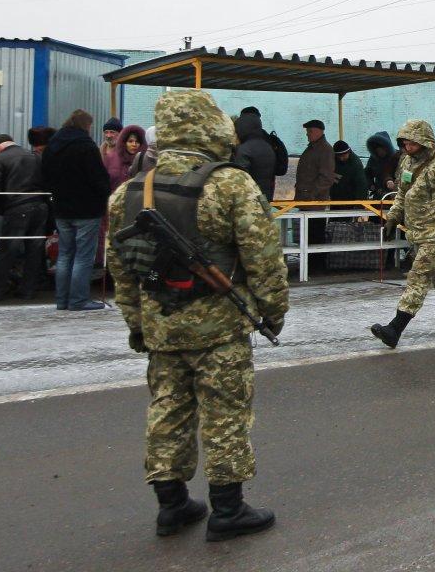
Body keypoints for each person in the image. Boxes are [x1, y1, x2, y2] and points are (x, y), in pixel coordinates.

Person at [106, 89, 289, 541]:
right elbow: (264, 259)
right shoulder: (230, 184)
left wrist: (138, 324)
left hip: (160, 326)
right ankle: (227, 510)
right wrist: (272, 314)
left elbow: (122, 272)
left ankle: (171, 506)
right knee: (225, 413)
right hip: (220, 327)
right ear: (212, 127)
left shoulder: (129, 192)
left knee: (168, 410)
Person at [370, 120, 435, 348]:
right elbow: (403, 193)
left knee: (417, 277)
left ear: (424, 142)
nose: (407, 148)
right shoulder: (408, 161)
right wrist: (393, 218)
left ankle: (395, 328)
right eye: (404, 143)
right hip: (418, 231)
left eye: (412, 143)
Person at [42, 110, 112, 311]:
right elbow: (98, 179)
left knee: (64, 255)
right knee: (83, 256)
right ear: (85, 125)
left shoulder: (53, 145)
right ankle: (78, 300)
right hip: (87, 209)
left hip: (62, 209)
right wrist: (104, 194)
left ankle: (62, 300)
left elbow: (44, 175)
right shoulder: (86, 146)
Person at [0, 134, 48, 300]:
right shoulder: (35, 156)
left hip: (17, 208)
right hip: (40, 207)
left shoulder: (0, 158)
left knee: (8, 250)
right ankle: (28, 290)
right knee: (34, 250)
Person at [294, 119, 335, 270]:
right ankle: (310, 264)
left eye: (310, 131)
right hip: (306, 200)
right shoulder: (313, 148)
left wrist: (312, 194)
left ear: (319, 131)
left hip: (315, 201)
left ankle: (317, 266)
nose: (307, 134)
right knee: (308, 235)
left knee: (315, 234)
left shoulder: (324, 149)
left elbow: (327, 177)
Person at [233, 112, 276, 200]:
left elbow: (240, 179)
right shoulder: (267, 146)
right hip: (265, 196)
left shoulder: (245, 149)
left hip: (249, 198)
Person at [105, 124, 147, 190]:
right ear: (124, 142)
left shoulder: (145, 161)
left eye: (137, 142)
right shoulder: (110, 157)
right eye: (130, 141)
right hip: (114, 198)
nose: (134, 144)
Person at [365, 131, 400, 198]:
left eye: (382, 150)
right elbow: (367, 172)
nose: (380, 153)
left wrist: (391, 182)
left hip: (394, 193)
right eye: (378, 151)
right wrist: (370, 184)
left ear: (387, 148)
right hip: (378, 193)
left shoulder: (396, 156)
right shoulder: (373, 158)